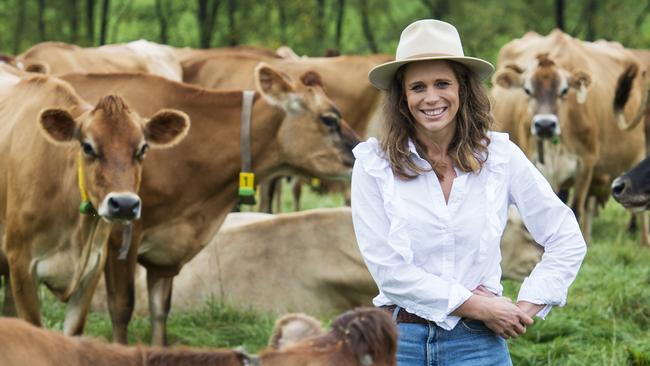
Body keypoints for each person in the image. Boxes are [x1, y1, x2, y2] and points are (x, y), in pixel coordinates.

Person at [351, 19, 587, 365]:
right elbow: (389, 271)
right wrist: (479, 305)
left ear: (462, 87)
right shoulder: (374, 164)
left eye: (442, 83)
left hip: (477, 343)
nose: (431, 97)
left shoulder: (499, 156)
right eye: (418, 87)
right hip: (401, 340)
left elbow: (566, 236)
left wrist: (525, 307)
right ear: (402, 96)